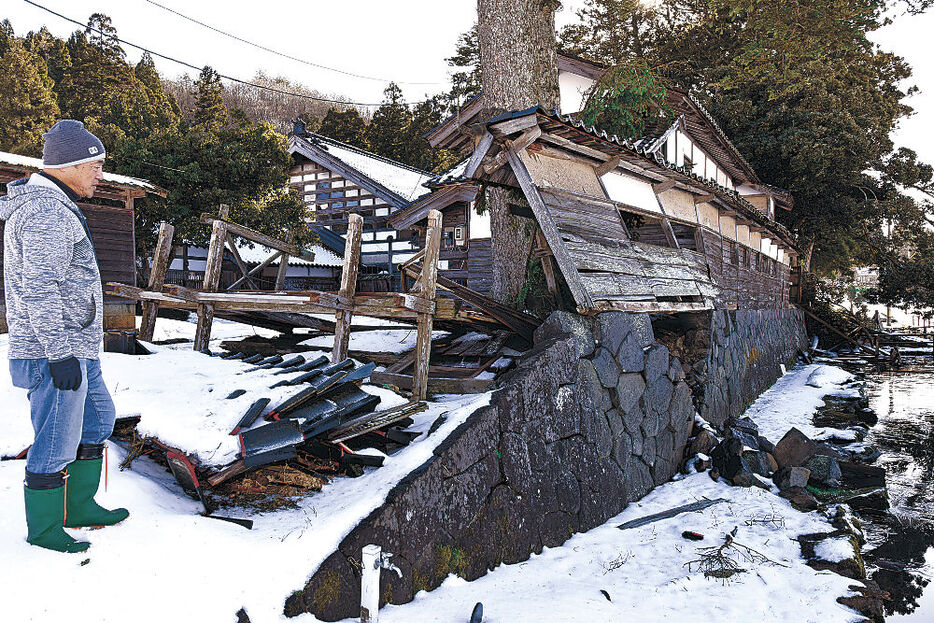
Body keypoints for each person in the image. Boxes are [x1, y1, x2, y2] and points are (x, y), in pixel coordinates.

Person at [1, 120, 129, 553]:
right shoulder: (45, 212)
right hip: (50, 351)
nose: (100, 174)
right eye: (95, 165)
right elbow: (38, 286)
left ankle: (78, 506)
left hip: (74, 347)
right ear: (70, 165)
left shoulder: (56, 206)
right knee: (55, 441)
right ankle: (44, 531)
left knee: (97, 421)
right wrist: (58, 353)